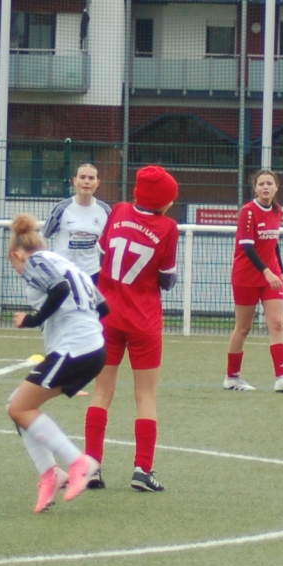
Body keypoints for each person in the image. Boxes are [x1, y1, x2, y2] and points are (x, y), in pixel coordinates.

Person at [85, 164, 180, 492]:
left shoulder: (119, 211)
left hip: (107, 316)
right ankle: (142, 469)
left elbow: (103, 257)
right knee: (146, 396)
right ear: (163, 200)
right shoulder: (168, 227)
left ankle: (91, 466)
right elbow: (166, 280)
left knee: (101, 392)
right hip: (144, 320)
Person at [4, 214, 107, 512]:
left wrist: (32, 319)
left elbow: (60, 289)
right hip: (90, 348)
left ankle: (78, 462)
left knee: (19, 408)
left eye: (14, 266)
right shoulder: (67, 264)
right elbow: (103, 307)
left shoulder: (35, 262)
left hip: (76, 349)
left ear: (17, 255)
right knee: (17, 406)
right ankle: (50, 474)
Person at [225, 168, 283, 393]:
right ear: (255, 188)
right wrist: (267, 271)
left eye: (269, 183)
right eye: (261, 184)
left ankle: (282, 377)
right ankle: (232, 377)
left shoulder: (277, 210)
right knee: (243, 327)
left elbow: (274, 243)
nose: (266, 187)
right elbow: (247, 247)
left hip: (271, 277)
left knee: (276, 323)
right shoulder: (248, 212)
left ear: (276, 187)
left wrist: (280, 271)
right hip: (246, 276)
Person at [43, 162, 109, 280]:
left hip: (92, 274)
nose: (86, 182)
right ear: (75, 181)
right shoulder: (61, 209)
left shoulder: (105, 210)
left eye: (91, 178)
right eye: (82, 177)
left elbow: (111, 243)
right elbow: (43, 236)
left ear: (97, 183)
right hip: (64, 273)